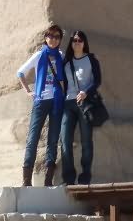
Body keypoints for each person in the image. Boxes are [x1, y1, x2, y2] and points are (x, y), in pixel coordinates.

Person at [17, 23, 65, 187]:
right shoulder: (39, 55)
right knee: (33, 138)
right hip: (40, 101)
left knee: (53, 139)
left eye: (57, 37)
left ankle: (48, 179)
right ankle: (26, 180)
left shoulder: (61, 55)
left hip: (57, 101)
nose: (53, 39)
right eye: (50, 36)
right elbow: (21, 72)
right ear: (46, 38)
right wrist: (28, 91)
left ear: (60, 40)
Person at [60, 29, 101, 185]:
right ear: (71, 43)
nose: (77, 43)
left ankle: (85, 177)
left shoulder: (91, 60)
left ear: (84, 43)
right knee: (65, 140)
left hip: (84, 103)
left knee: (86, 141)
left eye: (80, 40)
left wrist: (86, 92)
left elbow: (97, 81)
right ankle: (68, 178)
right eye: (74, 40)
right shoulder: (67, 62)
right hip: (68, 103)